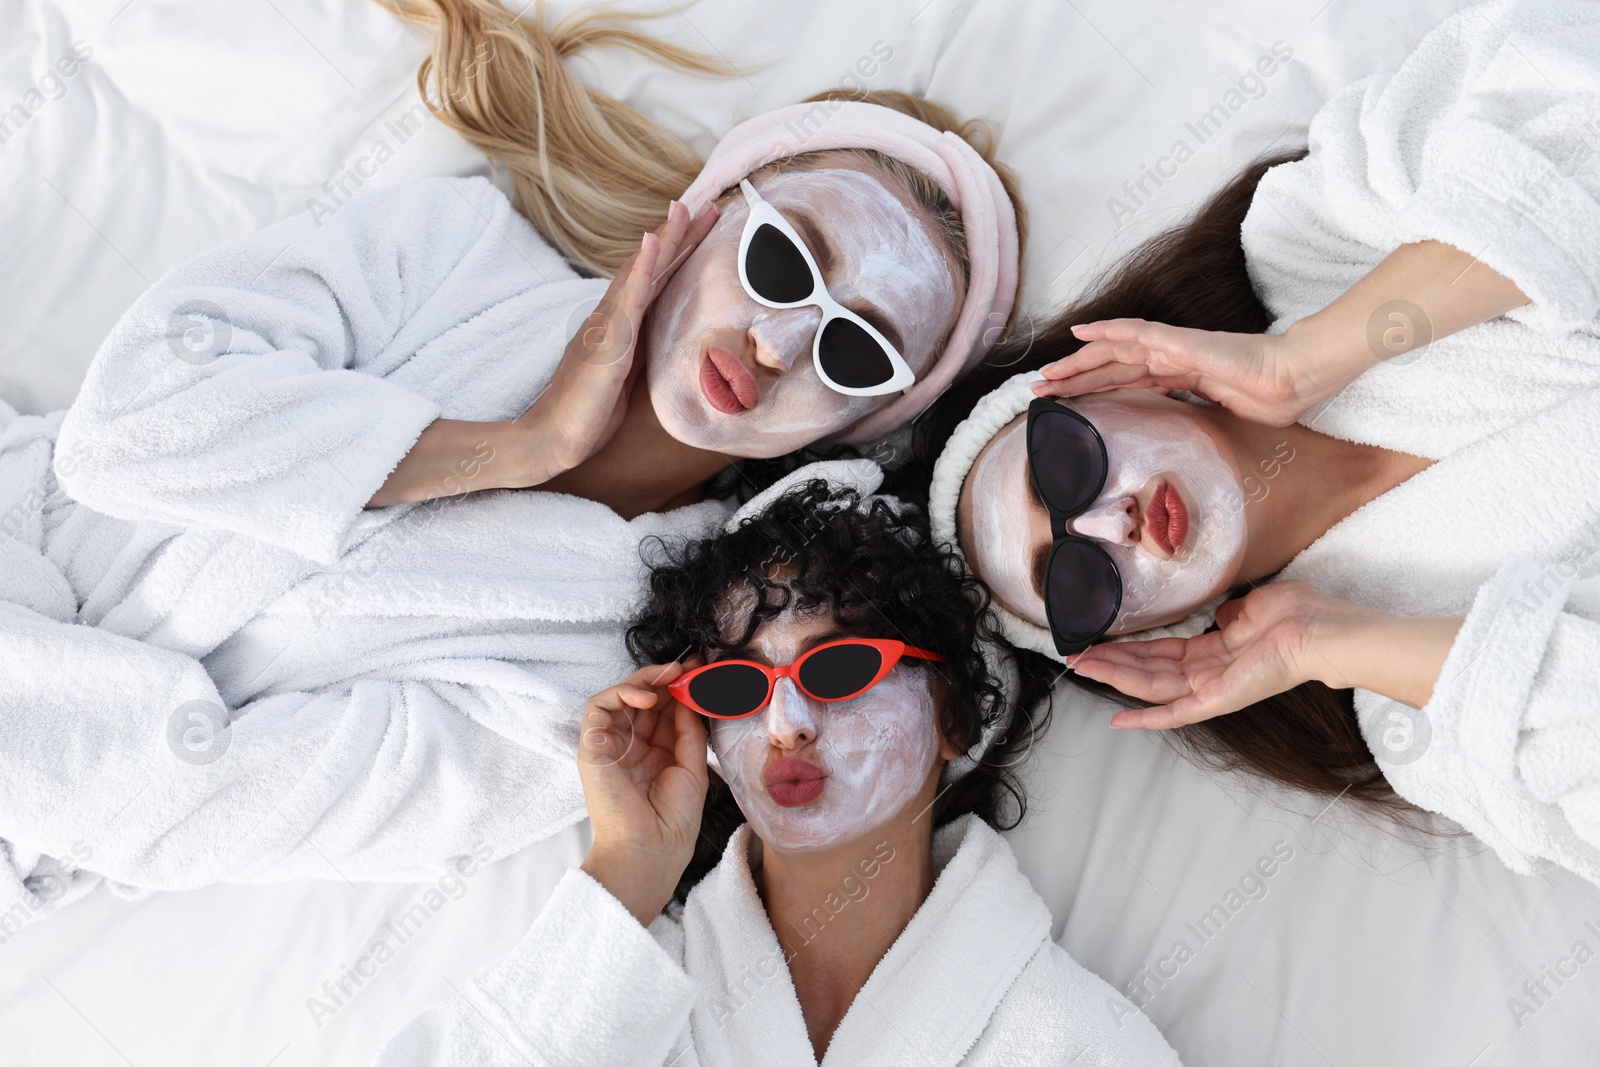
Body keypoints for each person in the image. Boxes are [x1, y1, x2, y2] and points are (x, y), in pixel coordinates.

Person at [0, 1, 1023, 908]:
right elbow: (122, 429)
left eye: (855, 351)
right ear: (710, 215)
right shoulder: (458, 249)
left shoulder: (608, 686)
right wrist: (515, 445)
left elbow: (189, 801)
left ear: (848, 430)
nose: (778, 341)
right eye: (781, 257)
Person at [923, 0, 1600, 885]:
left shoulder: (1313, 236)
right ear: (1151, 631)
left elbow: (1571, 83)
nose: (1108, 525)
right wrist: (1327, 644)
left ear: (1120, 379)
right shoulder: (1409, 701)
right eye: (1075, 581)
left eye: (1063, 466)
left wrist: (1314, 354)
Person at [374, 478, 1182, 1066]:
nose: (786, 725)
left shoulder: (1078, 1040)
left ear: (952, 719)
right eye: (737, 686)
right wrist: (626, 869)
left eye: (839, 669)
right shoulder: (609, 995)